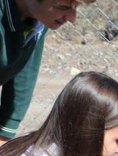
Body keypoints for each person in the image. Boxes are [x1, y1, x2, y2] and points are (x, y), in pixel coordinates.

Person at [1, 0, 94, 143]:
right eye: (63, 7)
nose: (72, 18)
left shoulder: (38, 17)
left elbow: (26, 67)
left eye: (76, 8)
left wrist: (6, 130)